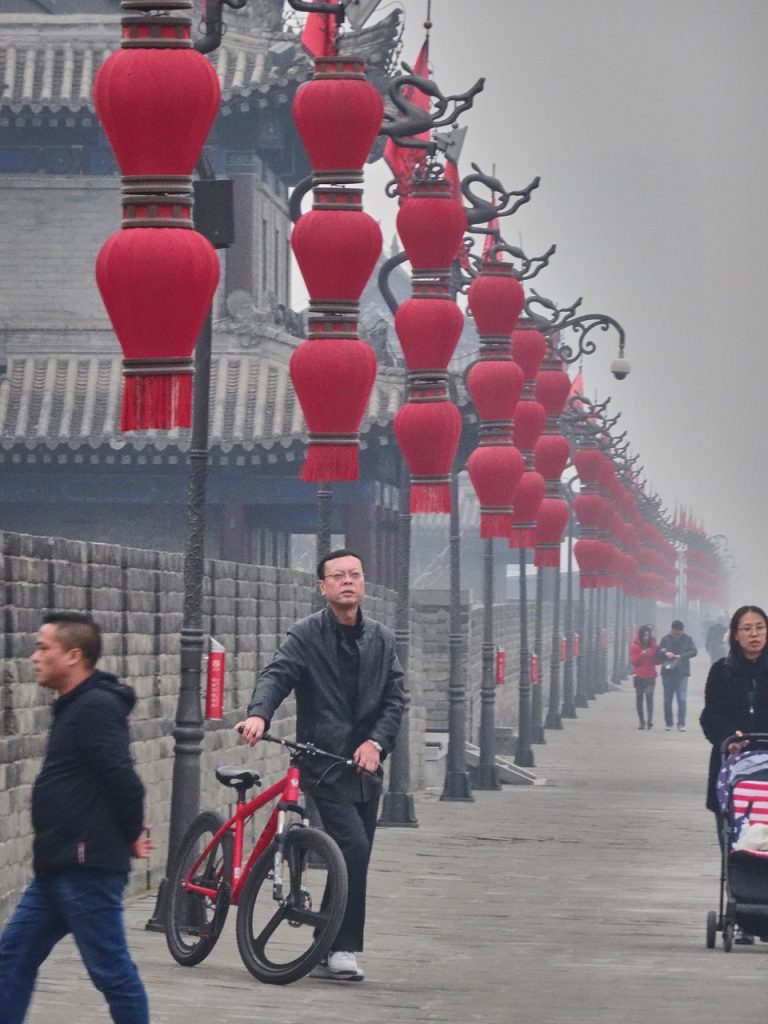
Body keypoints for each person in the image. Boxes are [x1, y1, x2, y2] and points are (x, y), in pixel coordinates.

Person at [237, 549, 405, 982]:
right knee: (354, 848)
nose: (348, 581)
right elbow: (277, 674)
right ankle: (344, 947)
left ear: (363, 583)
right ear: (322, 587)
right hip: (323, 762)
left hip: (366, 768)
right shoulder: (305, 635)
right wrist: (260, 713)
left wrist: (377, 743)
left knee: (354, 856)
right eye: (338, 576)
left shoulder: (382, 639)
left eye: (355, 574)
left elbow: (394, 699)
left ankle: (327, 945)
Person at [0, 612, 151, 1024]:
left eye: (42, 647)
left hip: (86, 866)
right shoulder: (74, 706)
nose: (34, 656)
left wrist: (131, 831)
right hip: (58, 863)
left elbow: (124, 779)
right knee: (12, 956)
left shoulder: (96, 707)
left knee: (111, 972)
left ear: (73, 656)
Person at [700, 605, 768, 944]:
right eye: (747, 629)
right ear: (735, 634)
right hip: (733, 774)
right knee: (735, 840)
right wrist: (730, 738)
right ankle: (740, 913)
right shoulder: (721, 671)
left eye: (759, 628)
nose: (754, 635)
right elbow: (709, 717)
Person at [656, 619, 697, 731]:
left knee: (682, 699)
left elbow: (694, 651)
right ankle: (669, 723)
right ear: (671, 630)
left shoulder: (688, 639)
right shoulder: (665, 639)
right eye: (674, 633)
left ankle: (681, 723)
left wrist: (682, 656)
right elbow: (658, 651)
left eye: (679, 634)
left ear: (682, 631)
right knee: (667, 699)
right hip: (668, 672)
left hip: (682, 673)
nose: (676, 636)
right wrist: (665, 653)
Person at [629, 624, 658, 730]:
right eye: (645, 635)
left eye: (648, 635)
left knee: (649, 697)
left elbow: (656, 659)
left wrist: (651, 654)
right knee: (639, 699)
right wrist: (642, 654)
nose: (647, 637)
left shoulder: (654, 645)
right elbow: (634, 662)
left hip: (650, 675)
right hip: (639, 676)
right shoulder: (635, 646)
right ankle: (641, 721)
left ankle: (649, 720)